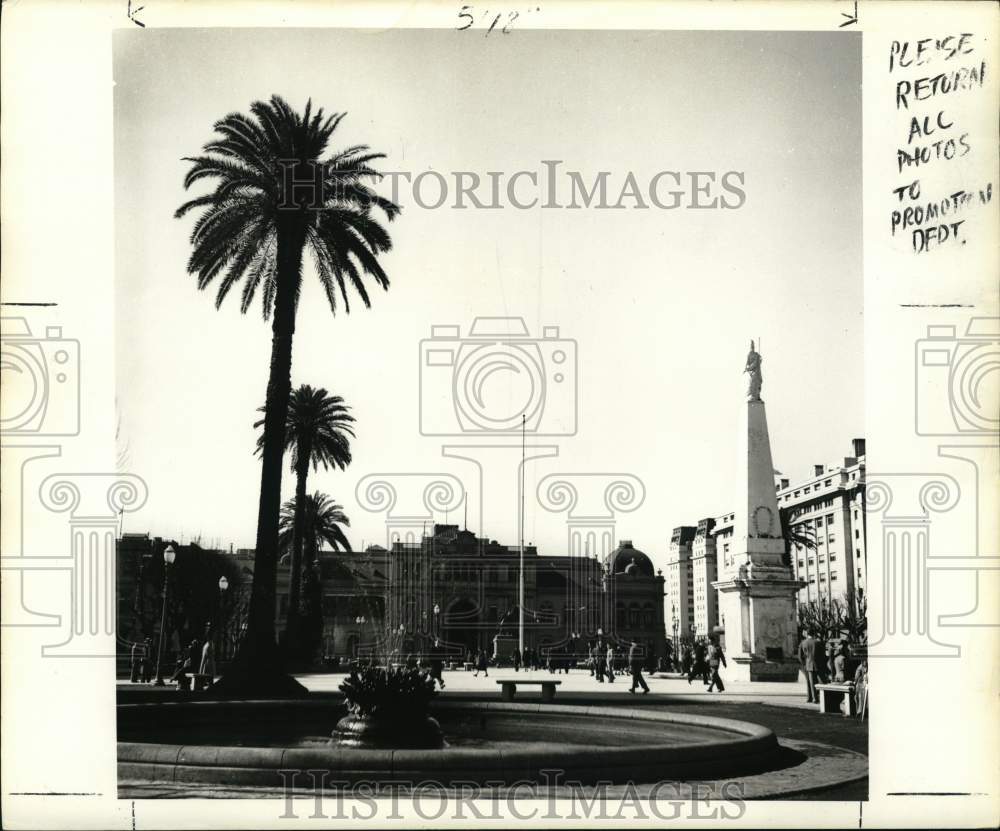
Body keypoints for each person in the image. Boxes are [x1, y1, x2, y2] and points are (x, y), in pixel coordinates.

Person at [799, 630, 819, 703]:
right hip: (818, 664)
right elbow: (822, 655)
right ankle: (816, 698)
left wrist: (804, 664)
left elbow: (800, 656)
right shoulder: (818, 642)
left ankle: (811, 698)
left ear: (807, 634)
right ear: (814, 634)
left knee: (810, 682)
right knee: (820, 682)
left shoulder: (803, 642)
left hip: (808, 664)